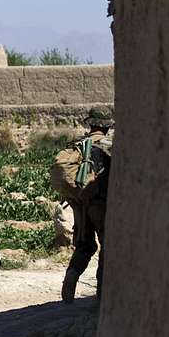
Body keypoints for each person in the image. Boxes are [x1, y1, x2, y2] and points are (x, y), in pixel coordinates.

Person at [62, 108, 113, 302]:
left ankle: (70, 280)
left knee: (85, 245)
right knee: (107, 247)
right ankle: (102, 295)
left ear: (91, 124)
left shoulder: (78, 145)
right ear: (107, 126)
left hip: (80, 203)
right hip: (101, 204)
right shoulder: (109, 145)